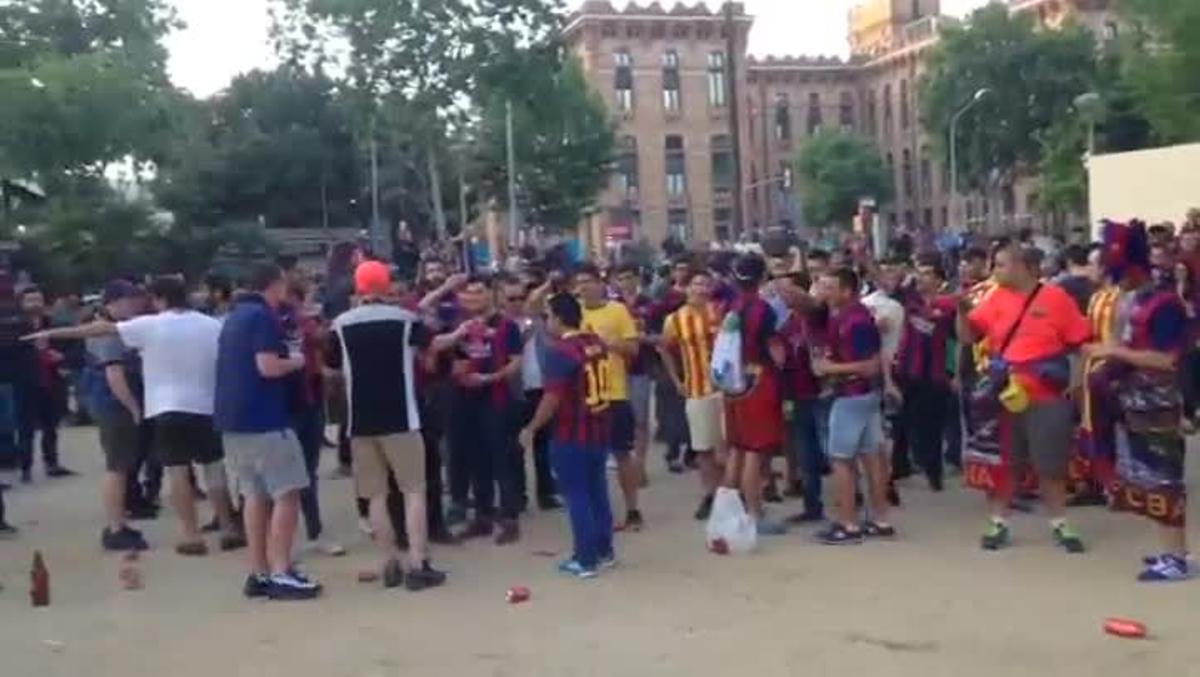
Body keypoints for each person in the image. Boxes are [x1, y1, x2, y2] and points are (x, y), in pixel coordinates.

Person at [30, 276, 244, 555]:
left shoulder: (150, 325)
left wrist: (52, 334)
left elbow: (99, 329)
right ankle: (227, 527)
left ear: (159, 299)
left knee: (177, 471)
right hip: (205, 405)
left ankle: (191, 535)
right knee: (214, 468)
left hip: (167, 407)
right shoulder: (211, 325)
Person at [959, 244, 1091, 553]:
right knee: (1003, 462)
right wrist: (962, 312)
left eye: (1002, 265)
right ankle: (997, 522)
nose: (995, 271)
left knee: (1051, 464)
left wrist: (1077, 383)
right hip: (1002, 391)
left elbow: (1080, 343)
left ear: (1024, 267)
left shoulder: (1057, 299)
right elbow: (967, 338)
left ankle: (1060, 523)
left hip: (1046, 393)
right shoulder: (993, 298)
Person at [328, 260, 451, 590]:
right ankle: (418, 561)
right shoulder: (404, 320)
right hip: (402, 416)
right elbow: (432, 345)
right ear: (385, 286)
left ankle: (388, 562)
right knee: (413, 490)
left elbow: (330, 365)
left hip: (360, 421)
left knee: (375, 496)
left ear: (358, 287)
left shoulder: (340, 324)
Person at [1080, 221, 1191, 581]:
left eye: (1119, 273)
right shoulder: (1130, 300)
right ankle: (1170, 550)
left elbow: (1167, 359)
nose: (1115, 281)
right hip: (1132, 402)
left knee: (1165, 480)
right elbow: (1124, 348)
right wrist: (1105, 368)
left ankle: (1176, 558)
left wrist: (1114, 351)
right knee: (1146, 480)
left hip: (1159, 405)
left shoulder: (1166, 303)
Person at [216, 262, 320, 600]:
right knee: (287, 493)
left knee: (254, 495)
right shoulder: (262, 318)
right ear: (274, 286)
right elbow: (267, 366)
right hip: (265, 419)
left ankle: (258, 570)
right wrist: (296, 361)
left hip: (233, 421)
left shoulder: (233, 317)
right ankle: (280, 570)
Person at [520, 292, 615, 579]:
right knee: (598, 492)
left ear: (558, 318)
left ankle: (585, 559)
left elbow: (552, 398)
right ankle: (603, 550)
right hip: (598, 426)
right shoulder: (595, 342)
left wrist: (532, 427)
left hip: (571, 431)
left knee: (577, 496)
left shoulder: (560, 352)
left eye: (547, 316)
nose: (546, 321)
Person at [813, 268, 894, 544]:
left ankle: (849, 524)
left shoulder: (855, 321)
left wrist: (830, 368)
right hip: (863, 396)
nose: (822, 292)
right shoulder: (849, 317)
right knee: (871, 456)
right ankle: (880, 519)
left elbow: (870, 366)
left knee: (841, 460)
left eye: (828, 287)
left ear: (845, 291)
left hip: (851, 395)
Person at [447, 275, 524, 544]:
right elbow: (452, 357)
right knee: (475, 458)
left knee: (501, 459)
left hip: (496, 398)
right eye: (467, 294)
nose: (472, 298)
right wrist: (456, 371)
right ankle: (482, 516)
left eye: (478, 292)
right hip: (465, 398)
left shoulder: (506, 326)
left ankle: (510, 519)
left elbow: (516, 362)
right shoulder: (459, 325)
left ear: (491, 294)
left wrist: (492, 377)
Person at [721, 254, 787, 536]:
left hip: (733, 381)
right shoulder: (763, 309)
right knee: (755, 451)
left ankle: (727, 510)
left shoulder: (731, 306)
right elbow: (777, 352)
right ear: (762, 278)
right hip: (759, 380)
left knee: (737, 447)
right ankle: (754, 513)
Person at [279, 279, 345, 558]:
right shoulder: (276, 324)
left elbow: (322, 349)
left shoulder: (306, 324)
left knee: (307, 472)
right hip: (288, 405)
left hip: (310, 400)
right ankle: (282, 541)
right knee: (286, 476)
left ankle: (313, 532)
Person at [576, 264, 644, 530]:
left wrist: (608, 343)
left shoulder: (617, 311)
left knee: (621, 454)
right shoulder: (572, 313)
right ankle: (598, 512)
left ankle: (632, 509)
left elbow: (633, 349)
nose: (583, 287)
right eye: (578, 282)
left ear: (600, 283)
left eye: (588, 281)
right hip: (584, 395)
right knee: (590, 456)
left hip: (614, 392)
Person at [661, 270, 724, 520]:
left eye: (705, 284)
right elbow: (665, 349)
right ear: (686, 289)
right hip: (697, 389)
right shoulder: (675, 319)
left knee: (726, 448)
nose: (700, 289)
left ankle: (731, 492)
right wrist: (677, 379)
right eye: (696, 284)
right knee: (703, 447)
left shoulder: (721, 312)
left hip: (725, 390)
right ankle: (711, 495)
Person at [894, 258, 958, 492]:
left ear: (939, 279)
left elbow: (958, 339)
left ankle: (934, 472)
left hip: (936, 374)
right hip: (907, 370)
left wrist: (956, 374)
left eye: (928, 273)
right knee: (902, 421)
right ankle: (900, 467)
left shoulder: (950, 306)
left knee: (931, 425)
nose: (921, 277)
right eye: (919, 273)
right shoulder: (910, 300)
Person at [508, 275, 560, 511]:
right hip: (515, 391)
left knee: (544, 445)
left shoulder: (537, 321)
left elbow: (537, 302)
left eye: (521, 297)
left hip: (541, 388)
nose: (518, 302)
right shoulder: (502, 326)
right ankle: (517, 496)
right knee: (514, 447)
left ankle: (546, 492)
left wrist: (548, 284)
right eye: (512, 298)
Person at [17, 286, 74, 480]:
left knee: (51, 426)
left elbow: (69, 348)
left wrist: (62, 357)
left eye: (38, 300)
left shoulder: (53, 325)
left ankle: (52, 463)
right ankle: (25, 467)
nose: (35, 304)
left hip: (52, 380)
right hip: (25, 382)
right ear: (22, 303)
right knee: (26, 428)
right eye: (30, 300)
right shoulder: (16, 327)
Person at [614, 263, 654, 488]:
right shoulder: (612, 307)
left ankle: (640, 465)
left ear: (637, 279)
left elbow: (659, 335)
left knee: (641, 420)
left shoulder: (648, 304)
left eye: (629, 277)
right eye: (621, 278)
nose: (626, 282)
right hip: (617, 369)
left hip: (640, 368)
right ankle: (626, 463)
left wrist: (641, 338)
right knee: (621, 419)